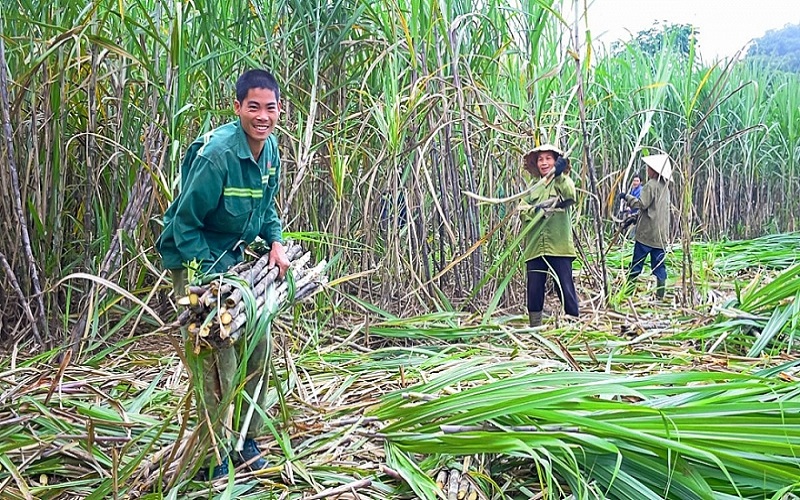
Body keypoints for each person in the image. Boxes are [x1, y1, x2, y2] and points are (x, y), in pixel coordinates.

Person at [156, 68, 291, 480]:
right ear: (238, 108)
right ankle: (211, 455)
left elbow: (266, 209)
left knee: (260, 347)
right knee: (218, 363)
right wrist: (212, 280)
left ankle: (245, 440)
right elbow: (183, 223)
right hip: (196, 260)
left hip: (235, 264)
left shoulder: (270, 153)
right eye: (254, 107)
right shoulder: (217, 156)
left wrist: (276, 242)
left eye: (270, 108)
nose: (262, 116)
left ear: (279, 110)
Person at [518, 144, 580, 327]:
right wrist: (536, 211)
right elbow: (522, 209)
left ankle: (573, 326)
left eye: (548, 158)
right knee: (534, 289)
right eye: (540, 159)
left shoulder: (564, 181)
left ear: (555, 161)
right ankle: (534, 327)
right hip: (535, 246)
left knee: (565, 287)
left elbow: (570, 195)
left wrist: (559, 174)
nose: (544, 163)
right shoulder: (532, 187)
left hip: (559, 246)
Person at [618, 155, 671, 300]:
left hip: (646, 235)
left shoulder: (650, 185)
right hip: (660, 236)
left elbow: (641, 205)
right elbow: (653, 211)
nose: (647, 169)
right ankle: (660, 297)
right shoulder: (665, 187)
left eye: (649, 167)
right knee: (659, 267)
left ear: (653, 170)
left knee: (636, 266)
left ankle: (627, 295)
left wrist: (626, 197)